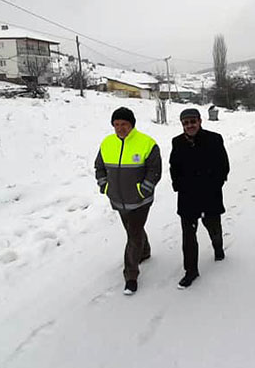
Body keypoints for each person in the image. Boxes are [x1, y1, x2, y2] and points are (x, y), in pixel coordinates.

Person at [95, 107, 162, 295]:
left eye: (124, 124)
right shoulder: (107, 143)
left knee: (133, 234)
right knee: (134, 231)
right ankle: (145, 251)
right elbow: (99, 167)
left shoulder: (147, 143)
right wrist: (105, 187)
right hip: (118, 199)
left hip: (140, 201)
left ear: (132, 124)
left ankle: (131, 275)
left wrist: (143, 190)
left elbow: (154, 170)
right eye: (116, 124)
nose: (120, 128)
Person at [169, 108, 230, 289]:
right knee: (188, 236)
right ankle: (191, 271)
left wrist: (216, 183)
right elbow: (174, 167)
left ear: (200, 121)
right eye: (186, 123)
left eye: (192, 121)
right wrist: (177, 184)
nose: (190, 126)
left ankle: (218, 248)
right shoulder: (177, 142)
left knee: (214, 228)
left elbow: (223, 165)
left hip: (209, 194)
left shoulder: (214, 139)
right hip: (187, 197)